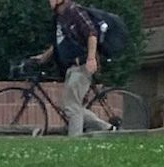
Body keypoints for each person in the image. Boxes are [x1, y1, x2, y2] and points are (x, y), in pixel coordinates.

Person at [32, 0, 115, 136]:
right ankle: (108, 129)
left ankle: (75, 140)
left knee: (71, 106)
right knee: (70, 105)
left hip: (82, 65)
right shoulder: (61, 16)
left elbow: (92, 34)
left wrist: (91, 58)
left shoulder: (74, 11)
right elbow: (60, 42)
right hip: (71, 67)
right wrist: (43, 57)